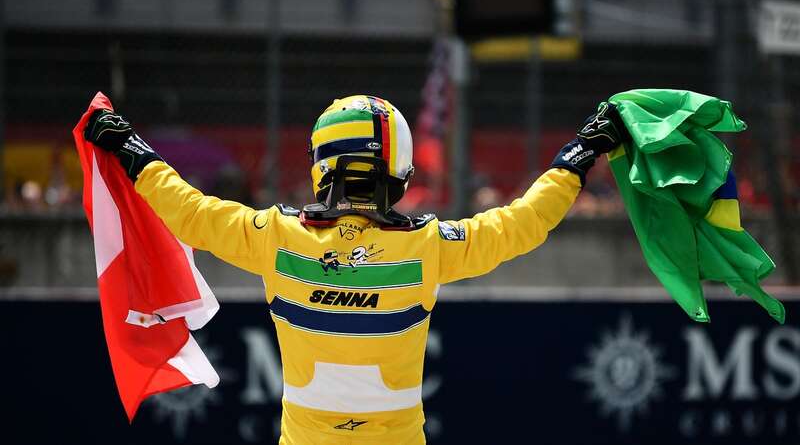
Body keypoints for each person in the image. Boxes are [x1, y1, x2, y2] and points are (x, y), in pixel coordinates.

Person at [84, 95, 627, 444]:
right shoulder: (428, 247)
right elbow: (523, 224)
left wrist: (128, 146)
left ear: (322, 165)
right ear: (398, 170)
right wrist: (581, 150)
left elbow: (188, 211)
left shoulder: (274, 238)